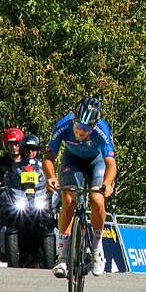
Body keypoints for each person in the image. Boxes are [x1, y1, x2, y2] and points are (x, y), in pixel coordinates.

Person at [43, 97, 116, 278]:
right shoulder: (63, 124)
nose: (81, 132)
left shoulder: (102, 130)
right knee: (68, 200)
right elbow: (48, 156)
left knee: (97, 199)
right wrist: (50, 177)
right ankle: (62, 257)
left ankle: (98, 249)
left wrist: (107, 184)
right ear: (74, 120)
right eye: (78, 127)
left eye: (86, 129)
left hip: (96, 162)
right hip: (72, 160)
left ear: (94, 126)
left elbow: (111, 164)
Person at [0, 127, 24, 197]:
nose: (14, 147)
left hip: (28, 197)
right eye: (11, 144)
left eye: (16, 143)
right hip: (8, 198)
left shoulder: (29, 161)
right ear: (6, 145)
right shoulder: (0, 163)